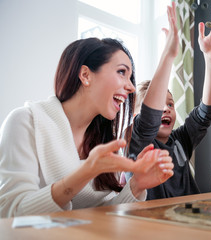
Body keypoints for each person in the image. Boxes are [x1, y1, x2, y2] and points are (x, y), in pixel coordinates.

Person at [0, 21, 176, 217]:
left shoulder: (103, 139)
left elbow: (103, 213)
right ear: (85, 75)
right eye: (121, 72)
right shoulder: (25, 122)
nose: (131, 87)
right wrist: (85, 173)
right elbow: (10, 214)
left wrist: (136, 185)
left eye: (130, 77)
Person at [128, 9, 211, 200]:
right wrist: (169, 55)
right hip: (153, 224)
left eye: (170, 104)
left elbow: (206, 113)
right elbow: (147, 121)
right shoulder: (138, 143)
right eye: (158, 105)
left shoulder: (180, 141)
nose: (166, 108)